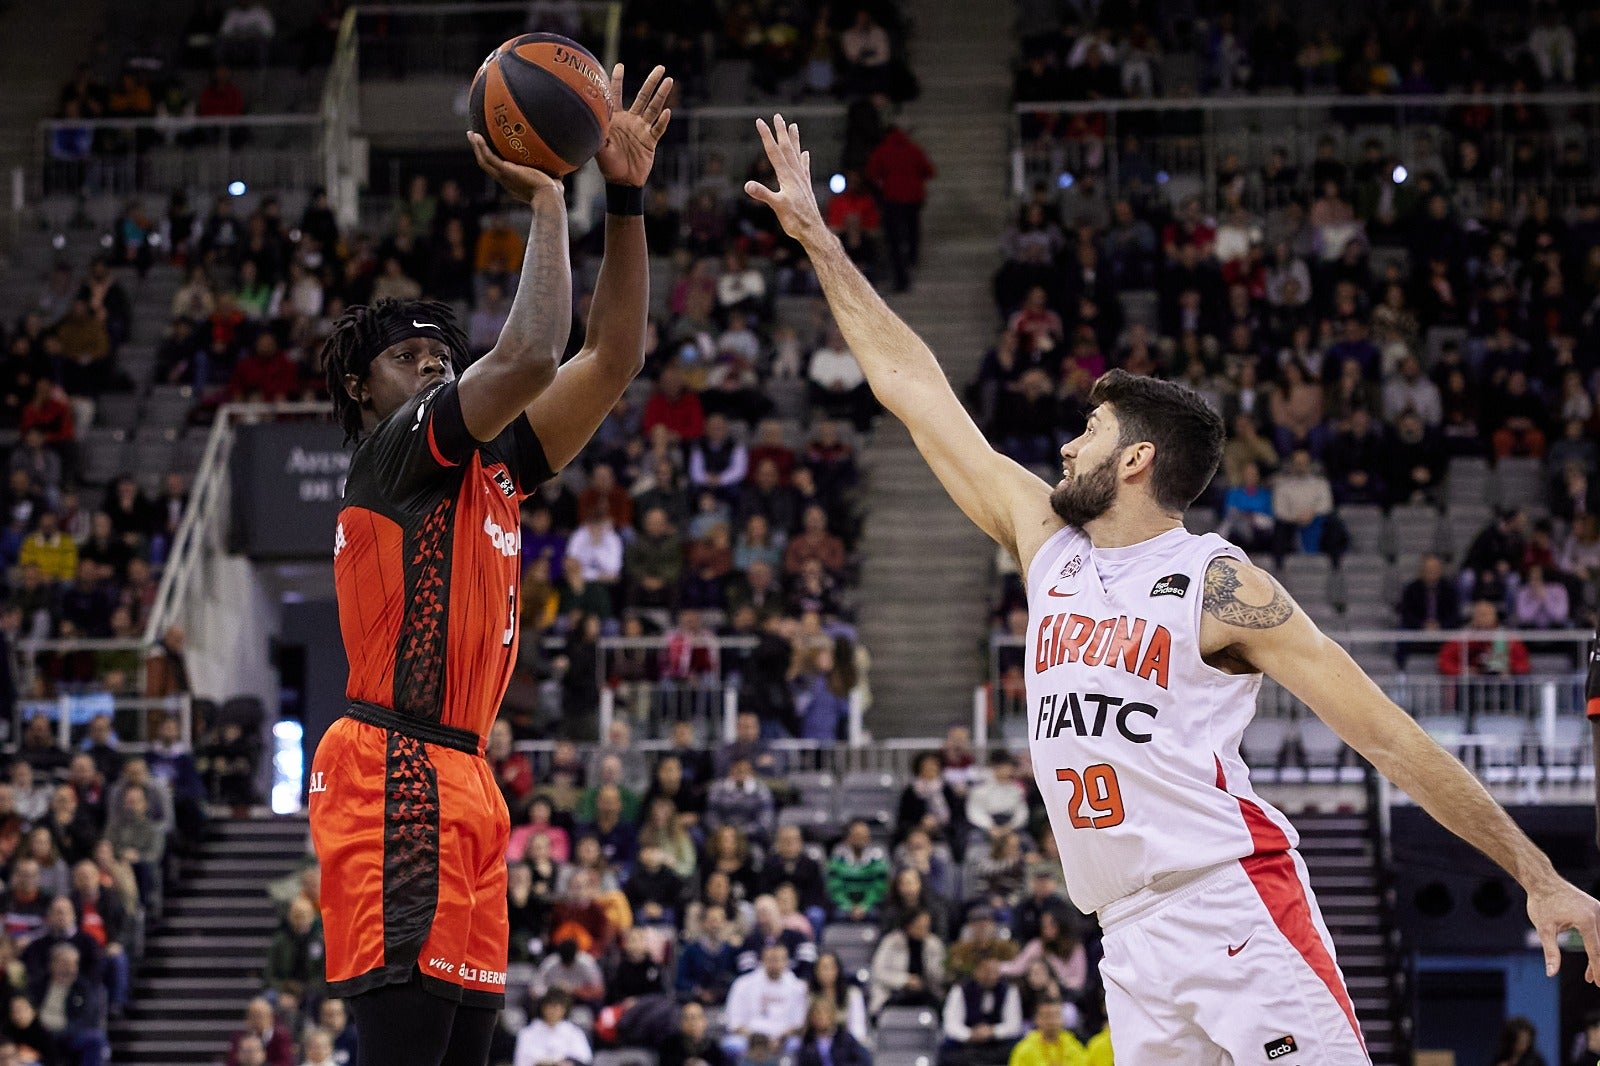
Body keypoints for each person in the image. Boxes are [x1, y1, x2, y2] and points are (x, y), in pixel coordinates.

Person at [745, 115, 1600, 1062]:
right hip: (1126, 939)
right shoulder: (1045, 542)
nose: (1068, 444)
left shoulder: (1218, 585)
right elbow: (914, 388)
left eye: (1092, 428)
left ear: (1139, 458)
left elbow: (1385, 735)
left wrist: (1537, 871)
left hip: (1232, 904)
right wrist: (823, 247)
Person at [307, 67, 674, 1066]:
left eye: (439, 352)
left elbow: (610, 360)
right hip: (391, 769)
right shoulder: (391, 455)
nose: (430, 362)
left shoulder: (491, 468)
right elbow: (526, 356)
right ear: (361, 384)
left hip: (466, 773)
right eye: (407, 358)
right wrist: (553, 198)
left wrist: (627, 200)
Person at [723, 943, 808, 1057]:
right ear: (762, 960)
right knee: (732, 1045)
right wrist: (759, 1041)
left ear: (787, 961)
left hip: (784, 1040)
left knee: (798, 1045)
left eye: (779, 959)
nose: (775, 964)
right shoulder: (743, 984)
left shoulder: (798, 987)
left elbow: (799, 1024)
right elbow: (734, 1023)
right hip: (751, 1038)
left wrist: (780, 1039)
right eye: (771, 959)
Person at [939, 955, 1022, 1066]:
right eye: (987, 971)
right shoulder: (960, 989)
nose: (991, 976)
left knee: (1016, 1048)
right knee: (946, 1051)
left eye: (995, 971)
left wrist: (992, 1031)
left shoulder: (1009, 990)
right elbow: (951, 1024)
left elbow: (1013, 1025)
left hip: (998, 1045)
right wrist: (970, 1034)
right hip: (967, 1046)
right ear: (976, 971)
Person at [869, 908, 945, 1014]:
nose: (924, 930)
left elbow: (940, 975)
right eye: (920, 926)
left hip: (926, 993)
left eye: (927, 926)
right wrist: (906, 980)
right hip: (893, 993)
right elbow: (877, 972)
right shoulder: (891, 942)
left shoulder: (934, 944)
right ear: (909, 926)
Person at [513, 989, 592, 1066]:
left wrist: (564, 1062)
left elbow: (585, 1059)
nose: (553, 1011)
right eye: (550, 1006)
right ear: (543, 1007)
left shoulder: (574, 1032)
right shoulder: (527, 1033)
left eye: (558, 1007)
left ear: (564, 1009)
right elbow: (520, 1061)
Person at [1006, 998, 1086, 1066]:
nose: (1052, 1021)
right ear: (1036, 1019)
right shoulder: (1024, 1051)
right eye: (1047, 1016)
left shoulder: (1074, 1047)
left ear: (1063, 1019)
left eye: (1056, 1016)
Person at [797, 997, 872, 1066]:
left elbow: (864, 1061)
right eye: (817, 1013)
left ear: (832, 1016)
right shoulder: (807, 1043)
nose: (821, 1017)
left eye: (825, 1013)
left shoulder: (844, 1038)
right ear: (811, 1017)